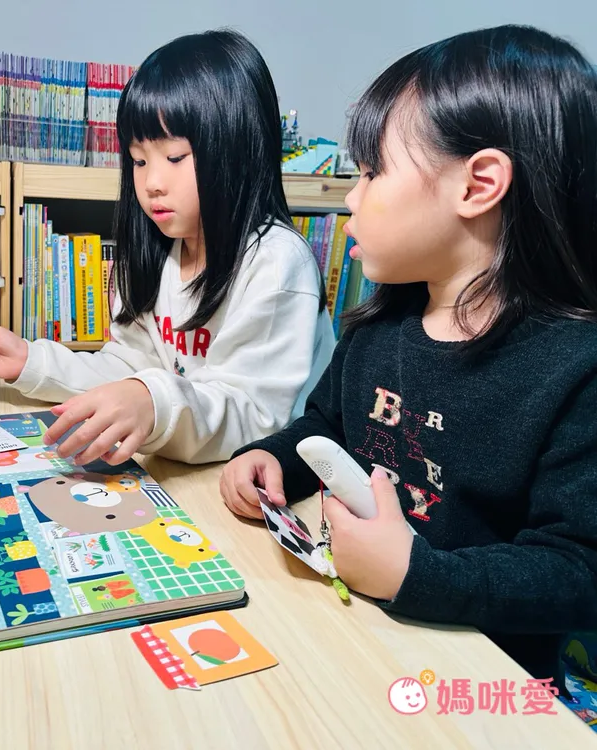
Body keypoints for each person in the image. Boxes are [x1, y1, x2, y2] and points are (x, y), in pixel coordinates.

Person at [220, 25, 597, 700]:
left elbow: (577, 573)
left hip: (478, 688)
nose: (351, 195)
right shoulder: (381, 323)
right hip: (358, 639)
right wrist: (274, 457)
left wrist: (415, 574)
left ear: (478, 185)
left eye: (372, 172)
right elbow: (331, 426)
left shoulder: (574, 368)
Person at [0, 29, 334, 466]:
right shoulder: (159, 252)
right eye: (139, 160)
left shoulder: (276, 262)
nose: (152, 182)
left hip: (280, 478)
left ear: (237, 151)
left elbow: (256, 417)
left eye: (175, 157)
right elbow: (127, 368)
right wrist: (31, 362)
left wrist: (153, 402)